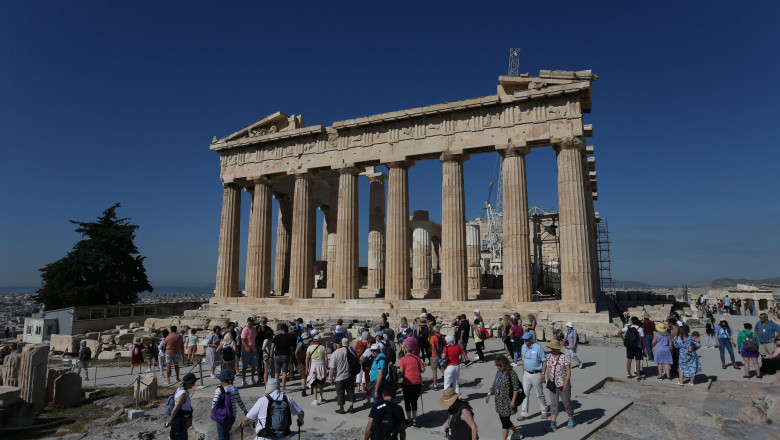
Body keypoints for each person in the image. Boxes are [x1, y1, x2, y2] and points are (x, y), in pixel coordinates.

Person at [239, 378, 304, 440]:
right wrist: (300, 421)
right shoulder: (288, 400)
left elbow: (247, 419)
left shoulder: (262, 400)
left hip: (265, 436)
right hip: (284, 436)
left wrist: (242, 424)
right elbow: (301, 413)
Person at [485, 355, 521, 440]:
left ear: (505, 364)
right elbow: (494, 384)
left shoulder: (511, 373)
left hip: (507, 401)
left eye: (500, 365)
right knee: (504, 419)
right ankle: (516, 432)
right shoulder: (499, 372)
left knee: (504, 422)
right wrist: (489, 394)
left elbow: (516, 388)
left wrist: (513, 401)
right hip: (499, 401)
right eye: (497, 365)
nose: (498, 367)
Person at [543, 339, 575, 431]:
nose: (553, 350)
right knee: (554, 404)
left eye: (554, 348)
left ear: (558, 349)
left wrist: (566, 383)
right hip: (553, 384)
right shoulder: (549, 356)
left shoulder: (564, 357)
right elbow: (549, 368)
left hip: (563, 384)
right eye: (552, 348)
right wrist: (547, 377)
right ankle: (553, 424)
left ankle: (570, 419)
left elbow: (568, 371)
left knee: (567, 402)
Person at [518, 331, 548, 421]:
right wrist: (523, 369)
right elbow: (523, 359)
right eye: (523, 340)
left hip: (536, 374)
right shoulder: (523, 347)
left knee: (539, 394)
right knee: (525, 394)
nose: (525, 342)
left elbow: (544, 361)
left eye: (526, 340)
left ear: (531, 339)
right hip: (527, 373)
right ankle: (524, 413)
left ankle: (544, 411)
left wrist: (543, 374)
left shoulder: (538, 348)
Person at [212, 369, 248, 440]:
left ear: (221, 380)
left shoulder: (219, 389)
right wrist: (245, 411)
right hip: (232, 416)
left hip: (221, 416)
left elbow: (215, 401)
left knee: (221, 435)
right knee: (227, 432)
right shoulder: (234, 389)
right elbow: (239, 401)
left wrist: (213, 408)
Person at [165, 373, 198, 440]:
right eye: (192, 382)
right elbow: (176, 408)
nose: (193, 384)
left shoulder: (180, 390)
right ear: (187, 383)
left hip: (181, 420)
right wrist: (170, 420)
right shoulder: (183, 394)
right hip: (180, 420)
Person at [398, 345, 425, 426]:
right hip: (417, 382)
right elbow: (423, 370)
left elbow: (402, 372)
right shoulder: (417, 358)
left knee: (407, 401)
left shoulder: (403, 359)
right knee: (414, 401)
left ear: (405, 351)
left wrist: (397, 376)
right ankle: (414, 420)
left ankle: (409, 419)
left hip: (407, 382)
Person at [330, 337, 357, 414]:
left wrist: (331, 378)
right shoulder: (346, 350)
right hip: (348, 375)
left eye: (333, 345)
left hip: (339, 377)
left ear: (335, 345)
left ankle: (341, 408)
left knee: (340, 393)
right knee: (350, 391)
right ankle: (351, 407)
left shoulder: (334, 354)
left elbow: (332, 368)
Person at [271, 323, 295, 392]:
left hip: (277, 355)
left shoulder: (276, 337)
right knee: (284, 372)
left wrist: (271, 356)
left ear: (281, 330)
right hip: (285, 355)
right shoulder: (289, 338)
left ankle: (276, 389)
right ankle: (283, 388)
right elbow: (291, 348)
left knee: (277, 373)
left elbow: (272, 347)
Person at [305, 334, 328, 406]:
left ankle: (315, 400)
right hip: (321, 365)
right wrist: (326, 367)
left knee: (314, 384)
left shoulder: (310, 347)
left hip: (313, 365)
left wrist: (306, 367)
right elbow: (326, 358)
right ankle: (321, 397)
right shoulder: (323, 347)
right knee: (321, 382)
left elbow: (307, 358)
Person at [241, 317, 259, 387]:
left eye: (252, 321)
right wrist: (247, 347)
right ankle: (243, 380)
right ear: (247, 321)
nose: (251, 322)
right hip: (246, 351)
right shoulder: (245, 330)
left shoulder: (254, 329)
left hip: (253, 350)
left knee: (253, 365)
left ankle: (252, 378)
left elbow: (255, 339)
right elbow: (243, 340)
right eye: (249, 321)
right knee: (245, 366)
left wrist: (256, 347)